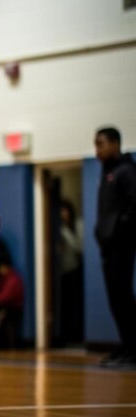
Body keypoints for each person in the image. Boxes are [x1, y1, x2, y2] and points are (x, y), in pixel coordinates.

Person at [94, 126, 136, 368]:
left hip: (122, 246)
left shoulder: (126, 171)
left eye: (100, 144)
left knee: (124, 297)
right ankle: (126, 346)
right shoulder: (107, 172)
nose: (97, 150)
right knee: (116, 299)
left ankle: (133, 350)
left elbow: (132, 208)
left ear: (114, 144)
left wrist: (117, 232)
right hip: (108, 248)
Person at [57, 199, 83, 345]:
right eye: (60, 210)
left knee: (75, 306)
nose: (62, 214)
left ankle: (76, 336)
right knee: (65, 307)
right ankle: (65, 337)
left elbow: (78, 247)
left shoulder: (77, 225)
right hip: (62, 273)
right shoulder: (56, 228)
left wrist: (65, 232)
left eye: (65, 210)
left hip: (75, 271)